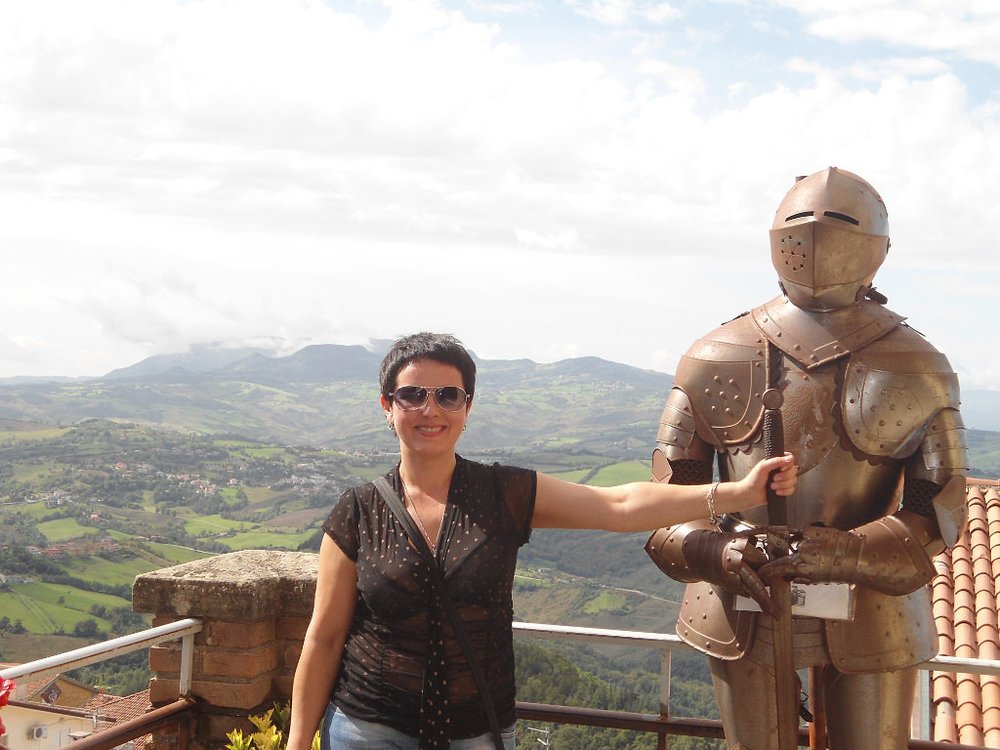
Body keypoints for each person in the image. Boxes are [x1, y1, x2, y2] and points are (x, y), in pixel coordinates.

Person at [286, 332, 798, 750]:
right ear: (387, 406)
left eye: (448, 395)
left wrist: (739, 492)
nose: (430, 409)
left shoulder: (503, 493)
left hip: (476, 731)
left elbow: (618, 505)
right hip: (367, 728)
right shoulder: (358, 511)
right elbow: (324, 638)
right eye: (413, 395)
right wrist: (298, 741)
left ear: (467, 407)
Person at [644, 167, 968, 749]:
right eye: (803, 224)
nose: (817, 237)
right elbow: (669, 505)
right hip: (742, 590)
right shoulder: (715, 354)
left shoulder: (917, 365)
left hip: (871, 597)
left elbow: (938, 512)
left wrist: (848, 552)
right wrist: (719, 550)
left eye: (836, 224)